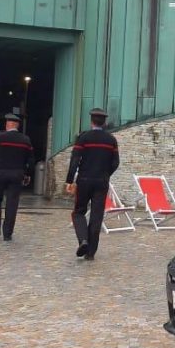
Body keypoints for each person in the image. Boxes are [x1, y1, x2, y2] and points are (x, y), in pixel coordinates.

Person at [65, 107, 119, 261]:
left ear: (91, 121)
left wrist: (69, 180)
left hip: (84, 181)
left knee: (78, 212)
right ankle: (91, 252)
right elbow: (116, 162)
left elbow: (75, 160)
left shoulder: (83, 138)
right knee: (97, 216)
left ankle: (83, 240)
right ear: (104, 122)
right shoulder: (111, 140)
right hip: (101, 182)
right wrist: (105, 174)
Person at [0, 113, 33, 241]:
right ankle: (8, 233)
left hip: (0, 172)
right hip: (17, 174)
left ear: (8, 124)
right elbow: (30, 159)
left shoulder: (0, 137)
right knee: (12, 203)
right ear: (17, 125)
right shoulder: (25, 140)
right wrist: (27, 173)